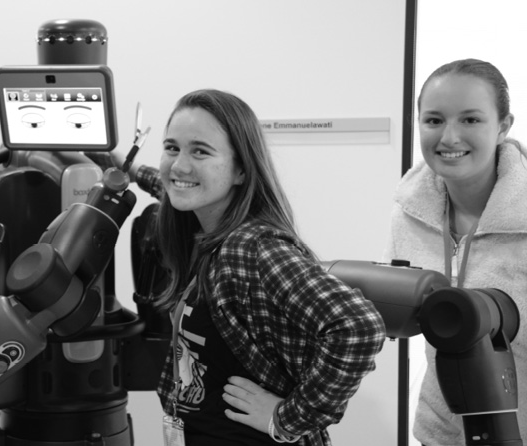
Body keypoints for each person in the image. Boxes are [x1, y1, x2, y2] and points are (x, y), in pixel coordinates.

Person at [150, 89, 386, 445]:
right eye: (172, 148)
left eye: (200, 151)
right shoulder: (204, 231)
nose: (179, 165)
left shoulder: (250, 248)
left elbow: (358, 327)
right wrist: (117, 164)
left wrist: (288, 419)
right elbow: (174, 183)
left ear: (241, 170)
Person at [384, 59, 527, 445]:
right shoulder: (409, 212)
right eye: (434, 120)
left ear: (504, 126)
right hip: (440, 434)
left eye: (471, 120)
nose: (449, 138)